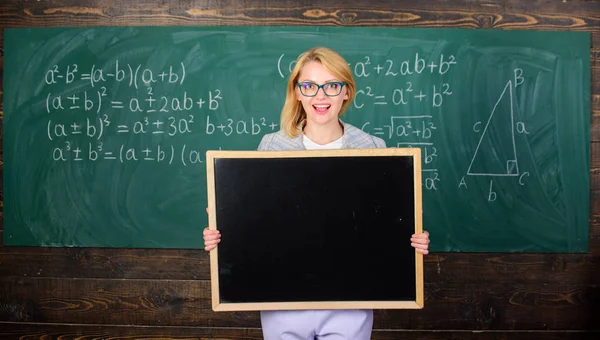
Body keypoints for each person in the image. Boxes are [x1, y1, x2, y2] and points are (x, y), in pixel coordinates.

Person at [203, 46, 430, 340]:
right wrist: (223, 232)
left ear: (346, 92)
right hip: (282, 299)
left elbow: (386, 228)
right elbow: (256, 225)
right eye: (309, 86)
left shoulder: (373, 147)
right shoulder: (271, 146)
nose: (320, 96)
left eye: (331, 86)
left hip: (350, 301)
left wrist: (412, 238)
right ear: (297, 92)